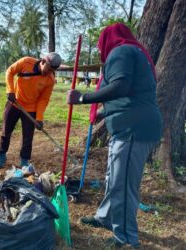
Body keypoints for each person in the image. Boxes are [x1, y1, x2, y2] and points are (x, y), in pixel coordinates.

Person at [67, 23, 163, 248]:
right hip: (129, 126)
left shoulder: (121, 52)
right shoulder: (133, 52)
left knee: (123, 184)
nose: (101, 49)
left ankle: (126, 237)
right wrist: (103, 111)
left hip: (133, 130)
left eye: (101, 44)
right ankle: (106, 217)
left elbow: (120, 86)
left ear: (107, 40)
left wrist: (83, 98)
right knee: (114, 178)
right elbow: (130, 92)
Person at [0, 52, 62, 168]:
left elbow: (43, 100)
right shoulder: (26, 62)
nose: (48, 73)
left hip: (31, 108)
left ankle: (24, 161)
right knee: (6, 131)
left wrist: (39, 118)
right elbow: (10, 72)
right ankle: (2, 156)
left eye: (52, 71)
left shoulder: (50, 80)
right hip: (14, 103)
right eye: (48, 69)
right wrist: (10, 90)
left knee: (28, 137)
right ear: (43, 62)